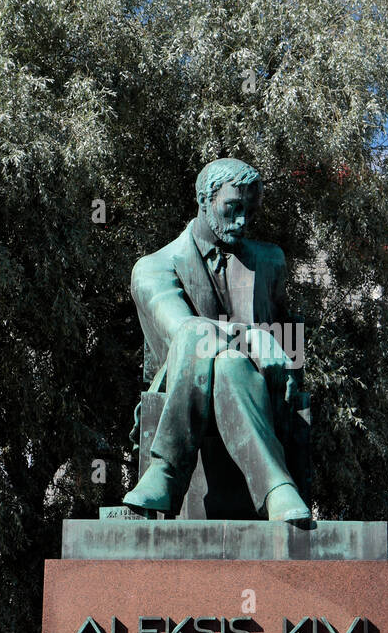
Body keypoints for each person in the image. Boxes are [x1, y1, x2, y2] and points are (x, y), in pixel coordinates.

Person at [123, 157, 311, 521]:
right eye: (233, 208)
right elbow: (183, 330)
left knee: (229, 364)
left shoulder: (270, 261)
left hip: (261, 390)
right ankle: (277, 489)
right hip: (183, 385)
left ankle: (164, 472)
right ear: (204, 199)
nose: (242, 222)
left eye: (250, 212)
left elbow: (289, 335)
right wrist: (254, 336)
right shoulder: (153, 268)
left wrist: (288, 356)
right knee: (207, 345)